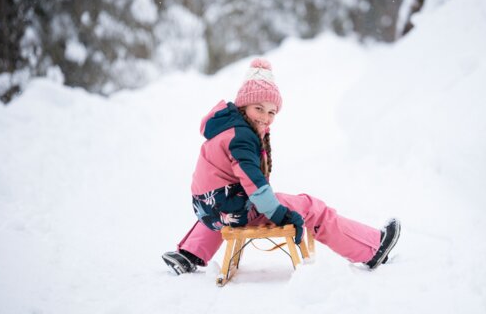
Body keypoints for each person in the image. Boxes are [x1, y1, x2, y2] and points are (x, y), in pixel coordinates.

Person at [162, 58, 401, 275]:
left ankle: (190, 254)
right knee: (311, 207)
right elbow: (253, 183)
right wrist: (280, 214)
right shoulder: (242, 136)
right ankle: (371, 248)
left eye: (271, 112)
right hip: (234, 208)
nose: (265, 117)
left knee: (228, 200)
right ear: (244, 106)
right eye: (259, 108)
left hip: (208, 211)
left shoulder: (225, 128)